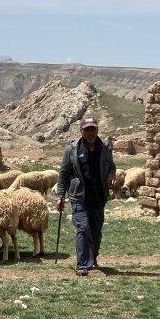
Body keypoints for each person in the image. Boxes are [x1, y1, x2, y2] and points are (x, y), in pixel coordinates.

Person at [56, 116, 116, 276]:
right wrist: (60, 195)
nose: (90, 132)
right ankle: (82, 264)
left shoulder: (105, 148)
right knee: (82, 228)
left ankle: (92, 257)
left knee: (96, 231)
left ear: (97, 130)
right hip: (79, 197)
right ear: (81, 131)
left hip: (98, 196)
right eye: (87, 129)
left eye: (93, 129)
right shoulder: (72, 150)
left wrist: (111, 175)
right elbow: (64, 174)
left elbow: (111, 165)